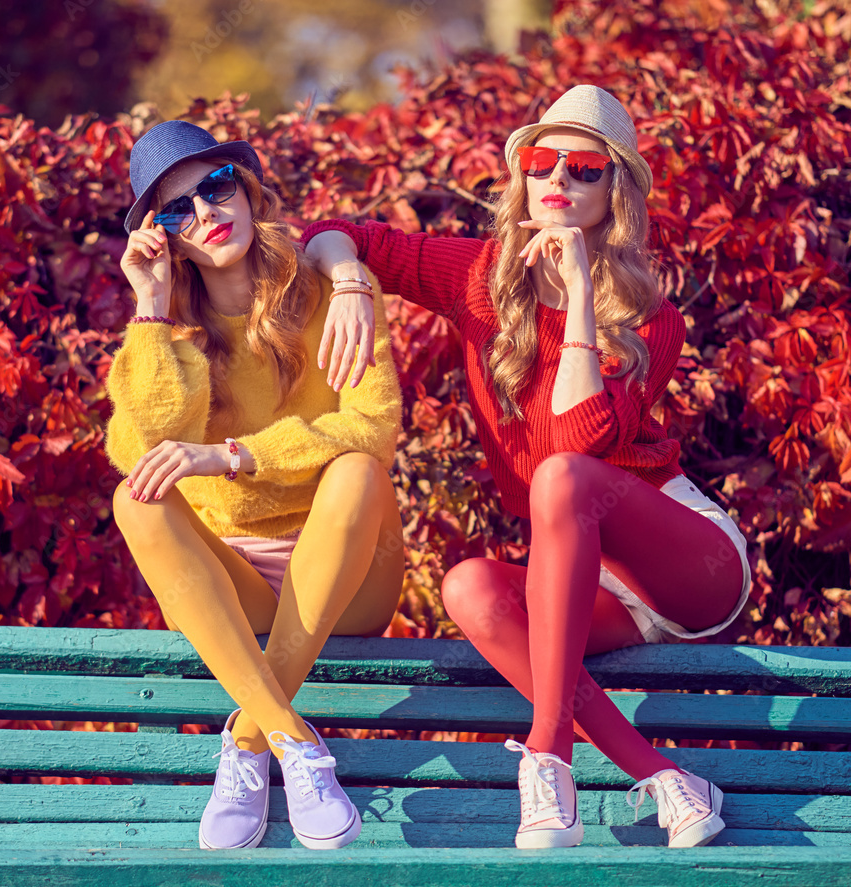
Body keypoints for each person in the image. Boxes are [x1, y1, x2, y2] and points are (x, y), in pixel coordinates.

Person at [302, 84, 750, 850]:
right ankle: (667, 779)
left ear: (617, 193)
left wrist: (579, 292)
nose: (559, 181)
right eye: (543, 162)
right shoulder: (477, 276)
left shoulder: (651, 319)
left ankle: (547, 754)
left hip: (685, 563)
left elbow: (578, 445)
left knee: (559, 477)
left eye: (584, 169)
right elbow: (335, 233)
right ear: (522, 176)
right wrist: (349, 282)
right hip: (584, 586)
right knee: (468, 586)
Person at [104, 120, 405, 852]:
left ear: (247, 188)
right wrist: (148, 305)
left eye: (216, 186)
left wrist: (235, 456)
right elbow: (141, 449)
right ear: (163, 236)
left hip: (346, 569)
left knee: (358, 469)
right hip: (232, 581)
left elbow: (374, 428)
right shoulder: (164, 330)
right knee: (132, 498)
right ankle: (289, 744)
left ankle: (245, 737)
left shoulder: (334, 294)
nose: (206, 213)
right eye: (179, 208)